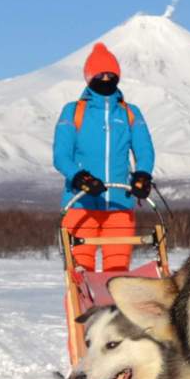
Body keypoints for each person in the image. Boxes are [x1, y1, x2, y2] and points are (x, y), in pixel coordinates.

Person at [53, 42, 156, 272]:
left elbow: (145, 150)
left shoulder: (130, 113)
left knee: (118, 278)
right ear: (89, 77)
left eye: (112, 74)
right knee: (79, 277)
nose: (107, 79)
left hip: (120, 204)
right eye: (101, 74)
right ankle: (80, 309)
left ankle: (114, 308)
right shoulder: (73, 111)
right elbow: (61, 156)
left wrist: (142, 175)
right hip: (80, 204)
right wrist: (81, 178)